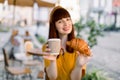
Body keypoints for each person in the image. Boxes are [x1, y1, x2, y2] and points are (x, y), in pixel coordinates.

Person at [42, 6, 92, 80]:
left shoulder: (78, 48)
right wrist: (53, 61)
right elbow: (52, 77)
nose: (66, 23)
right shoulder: (47, 48)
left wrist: (79, 65)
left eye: (68, 19)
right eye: (60, 21)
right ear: (54, 26)